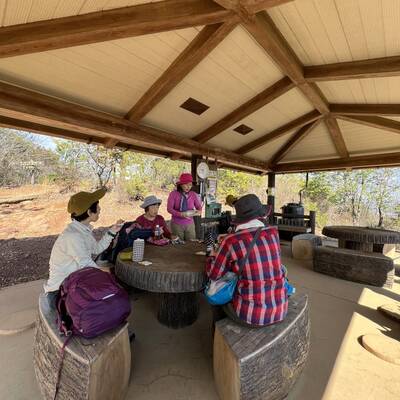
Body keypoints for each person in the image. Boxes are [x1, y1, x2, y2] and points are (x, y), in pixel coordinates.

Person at [206, 194, 288, 327]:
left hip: (251, 315)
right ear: (261, 215)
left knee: (218, 301)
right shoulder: (273, 233)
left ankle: (218, 332)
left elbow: (214, 274)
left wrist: (212, 255)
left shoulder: (231, 241)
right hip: (280, 309)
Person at [44, 188, 123, 308]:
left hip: (75, 283)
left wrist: (112, 231)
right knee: (109, 300)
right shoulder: (73, 236)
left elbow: (96, 249)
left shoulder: (82, 230)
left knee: (110, 297)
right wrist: (109, 273)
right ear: (89, 213)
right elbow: (86, 264)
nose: (100, 209)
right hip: (60, 293)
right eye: (97, 206)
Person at [167, 173, 202, 241]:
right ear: (180, 184)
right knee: (178, 246)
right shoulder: (174, 194)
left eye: (190, 185)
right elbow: (169, 209)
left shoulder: (193, 194)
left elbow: (198, 206)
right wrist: (180, 214)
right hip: (176, 224)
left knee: (191, 245)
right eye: (186, 184)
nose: (188, 187)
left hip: (190, 224)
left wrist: (199, 211)